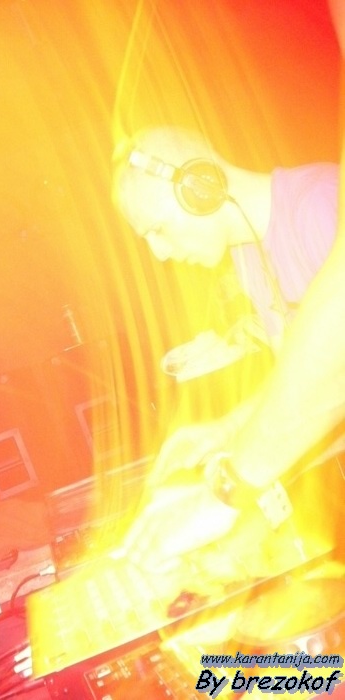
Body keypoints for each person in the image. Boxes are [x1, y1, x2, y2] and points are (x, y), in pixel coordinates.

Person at [111, 124, 344, 575]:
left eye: (156, 230)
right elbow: (299, 376)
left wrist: (226, 488)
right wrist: (226, 430)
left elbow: (336, 372)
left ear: (199, 186)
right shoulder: (249, 257)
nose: (158, 254)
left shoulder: (321, 205)